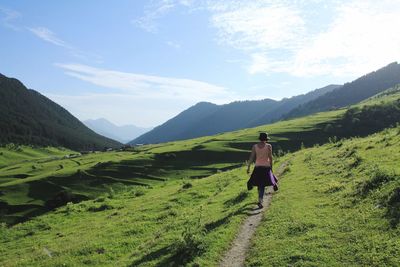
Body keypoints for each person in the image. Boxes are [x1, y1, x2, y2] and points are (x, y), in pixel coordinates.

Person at [246, 132, 278, 208]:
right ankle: (274, 184)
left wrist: (248, 167)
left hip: (257, 167)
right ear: (266, 139)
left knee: (259, 184)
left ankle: (260, 200)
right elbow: (270, 157)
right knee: (262, 185)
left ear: (260, 138)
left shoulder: (255, 146)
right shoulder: (269, 146)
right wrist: (271, 167)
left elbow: (251, 158)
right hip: (266, 167)